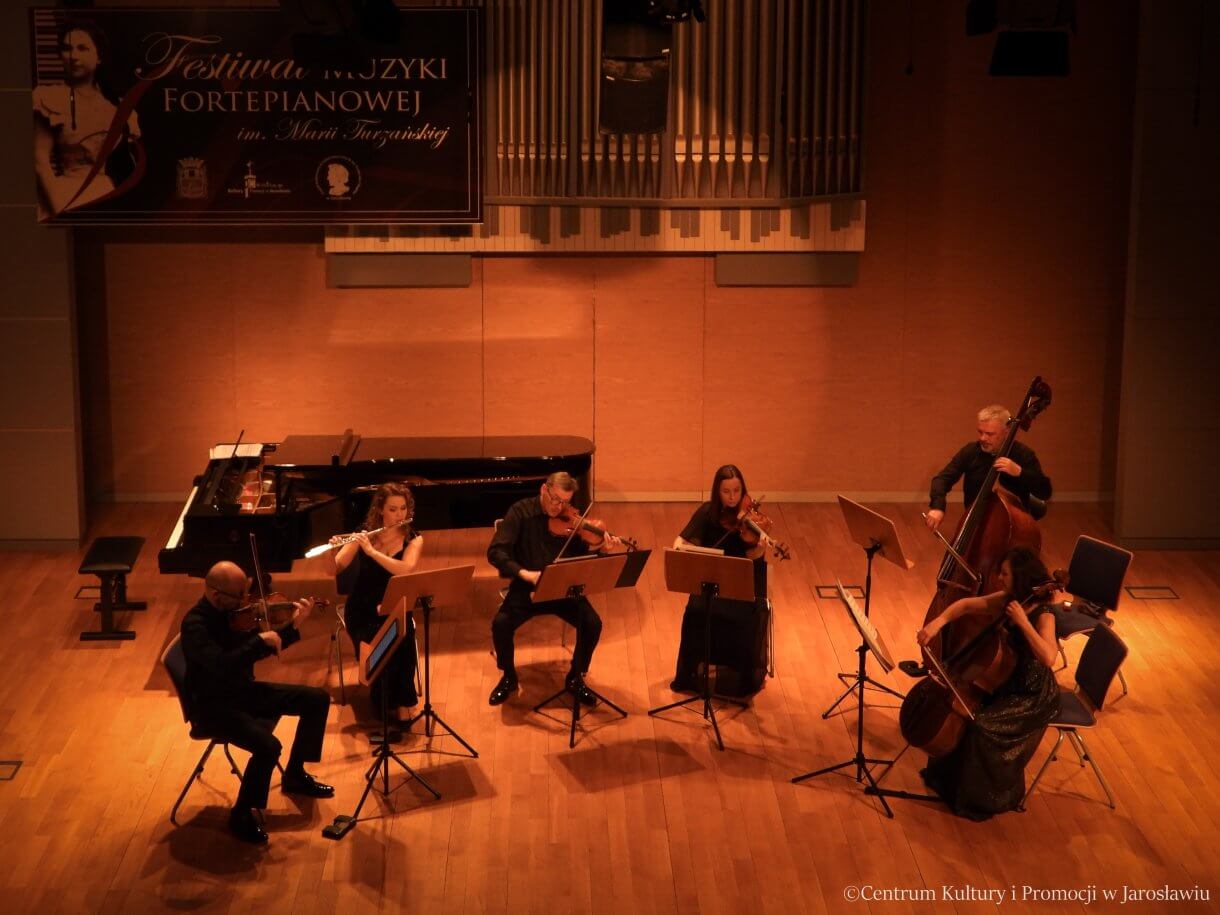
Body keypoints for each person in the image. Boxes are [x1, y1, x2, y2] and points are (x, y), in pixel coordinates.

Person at [180, 561, 333, 845]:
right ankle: (241, 814)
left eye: (246, 592)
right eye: (239, 595)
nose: (246, 601)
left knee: (317, 699)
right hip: (213, 707)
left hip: (241, 692)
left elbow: (257, 650)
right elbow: (222, 664)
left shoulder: (233, 615)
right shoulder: (195, 626)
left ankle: (296, 775)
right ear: (215, 595)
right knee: (268, 746)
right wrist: (259, 640)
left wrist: (292, 628)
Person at [915, 547, 1061, 820]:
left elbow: (1049, 657)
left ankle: (982, 799)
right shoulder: (1011, 599)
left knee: (980, 725)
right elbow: (967, 605)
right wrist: (937, 623)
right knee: (965, 712)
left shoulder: (1044, 614)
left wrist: (1022, 623)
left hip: (1032, 694)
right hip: (1005, 681)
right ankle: (948, 783)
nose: (1000, 578)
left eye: (1005, 573)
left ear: (1020, 576)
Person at [486, 472, 622, 706]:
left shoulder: (571, 520)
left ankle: (575, 677)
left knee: (592, 623)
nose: (560, 507)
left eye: (566, 502)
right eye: (555, 500)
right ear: (543, 489)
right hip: (527, 585)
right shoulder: (520, 512)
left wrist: (600, 548)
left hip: (562, 588)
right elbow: (495, 552)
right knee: (501, 623)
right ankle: (508, 677)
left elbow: (582, 556)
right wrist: (524, 573)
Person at [669, 464, 770, 697]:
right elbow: (680, 541)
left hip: (741, 583)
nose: (733, 497)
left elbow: (752, 557)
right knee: (695, 610)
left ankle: (739, 677)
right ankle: (691, 673)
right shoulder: (707, 513)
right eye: (727, 491)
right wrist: (686, 550)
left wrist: (758, 551)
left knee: (746, 614)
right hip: (712, 581)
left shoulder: (750, 520)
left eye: (737, 490)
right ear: (717, 492)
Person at [333, 482, 423, 723]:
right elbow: (338, 566)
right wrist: (335, 550)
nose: (399, 514)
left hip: (392, 605)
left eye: (403, 508)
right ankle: (386, 701)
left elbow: (405, 570)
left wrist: (372, 553)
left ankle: (402, 701)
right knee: (384, 640)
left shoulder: (413, 538)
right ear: (381, 509)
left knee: (402, 635)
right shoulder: (365, 533)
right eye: (393, 509)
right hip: (362, 609)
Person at [33, 20, 141, 217]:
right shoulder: (51, 99)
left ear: (99, 57)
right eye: (67, 49)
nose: (73, 56)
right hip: (63, 196)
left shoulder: (116, 105)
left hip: (105, 194)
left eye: (82, 48)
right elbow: (39, 160)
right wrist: (61, 209)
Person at [924, 404, 1052, 533]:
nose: (983, 438)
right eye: (980, 432)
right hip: (975, 524)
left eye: (990, 434)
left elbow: (1045, 491)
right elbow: (942, 479)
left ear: (1006, 432)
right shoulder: (972, 451)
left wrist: (1020, 472)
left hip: (1013, 529)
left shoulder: (1023, 454)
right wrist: (937, 507)